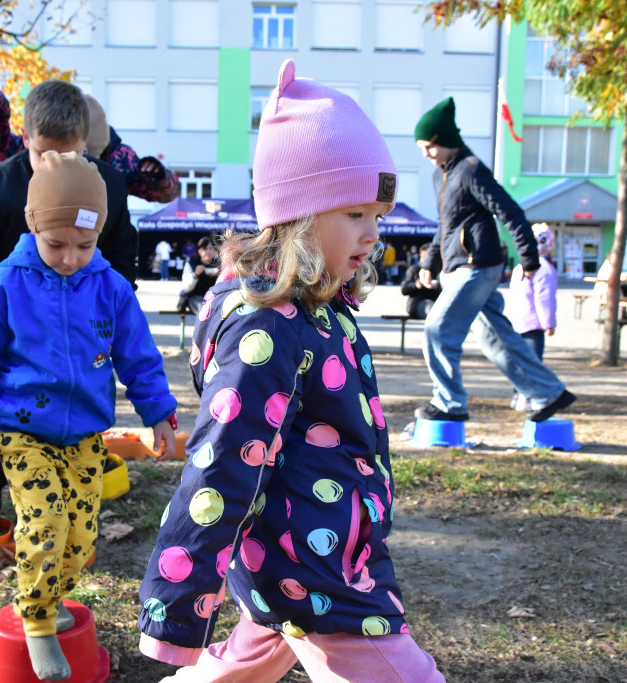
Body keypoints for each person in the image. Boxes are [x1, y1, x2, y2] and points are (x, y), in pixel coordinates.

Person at [138, 59, 443, 683]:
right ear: (300, 215)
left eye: (377, 215)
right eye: (354, 213)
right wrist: (175, 607)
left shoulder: (319, 308)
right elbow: (222, 460)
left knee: (238, 670)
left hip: (314, 544)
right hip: (309, 566)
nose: (373, 234)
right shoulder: (267, 327)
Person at [0, 152, 178, 682]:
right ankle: (38, 619)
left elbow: (137, 354)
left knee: (80, 537)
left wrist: (158, 412)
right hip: (22, 433)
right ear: (34, 227)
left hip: (86, 436)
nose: (70, 258)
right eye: (56, 244)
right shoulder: (6, 284)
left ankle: (52, 593)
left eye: (85, 245)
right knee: (45, 524)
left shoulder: (108, 285)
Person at [0, 79, 140, 542]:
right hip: (8, 333)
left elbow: (122, 251)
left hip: (79, 330)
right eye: (44, 156)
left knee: (74, 411)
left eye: (73, 157)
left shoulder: (105, 184)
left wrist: (113, 319)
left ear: (86, 146)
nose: (58, 167)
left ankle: (69, 507)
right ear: (24, 139)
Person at [413, 97, 575, 423]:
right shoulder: (440, 176)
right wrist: (428, 263)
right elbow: (446, 226)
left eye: (429, 146)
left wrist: (529, 258)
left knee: (437, 330)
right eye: (422, 148)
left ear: (445, 140)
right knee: (495, 339)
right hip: (456, 266)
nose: (426, 154)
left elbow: (510, 212)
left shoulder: (470, 170)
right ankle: (548, 393)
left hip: (477, 266)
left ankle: (449, 403)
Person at [0, 84, 180, 203]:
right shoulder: (37, 144)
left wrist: (157, 177)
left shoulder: (119, 161)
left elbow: (167, 193)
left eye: (77, 154)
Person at [506, 223, 559, 410]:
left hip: (516, 321)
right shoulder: (544, 268)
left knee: (519, 360)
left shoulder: (521, 266)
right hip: (533, 323)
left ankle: (516, 394)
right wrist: (549, 323)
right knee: (533, 360)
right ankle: (528, 396)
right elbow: (544, 298)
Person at [176, 236, 218, 313]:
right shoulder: (192, 263)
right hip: (195, 297)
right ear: (199, 251)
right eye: (205, 249)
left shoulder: (219, 264)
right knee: (204, 309)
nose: (208, 251)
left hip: (214, 298)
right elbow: (185, 287)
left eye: (210, 248)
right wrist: (195, 275)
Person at [400, 243, 440, 319]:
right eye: (424, 256)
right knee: (432, 309)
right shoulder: (414, 269)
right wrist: (416, 285)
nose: (425, 259)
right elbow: (403, 289)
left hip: (435, 302)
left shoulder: (437, 270)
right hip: (417, 303)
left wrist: (437, 287)